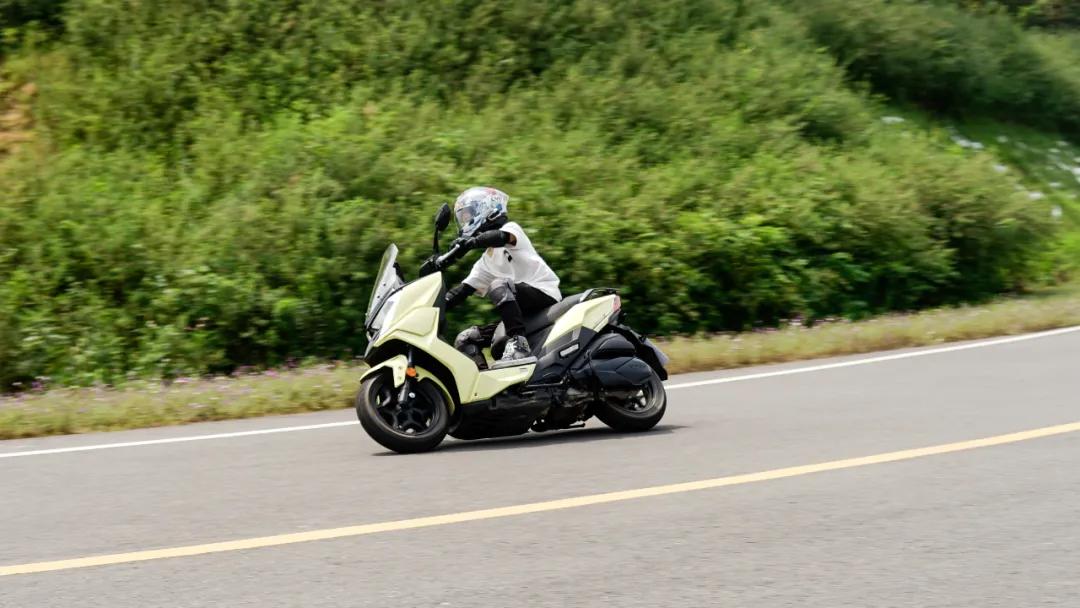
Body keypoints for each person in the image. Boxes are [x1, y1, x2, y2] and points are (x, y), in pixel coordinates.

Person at [443, 187, 562, 365]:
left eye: (468, 216)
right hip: (519, 312)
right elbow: (461, 292)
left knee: (498, 284)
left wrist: (471, 243)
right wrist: (430, 307)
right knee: (465, 338)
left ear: (487, 209)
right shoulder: (486, 261)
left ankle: (519, 346)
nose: (465, 222)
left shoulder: (511, 230)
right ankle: (483, 379)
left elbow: (499, 237)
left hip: (544, 294)